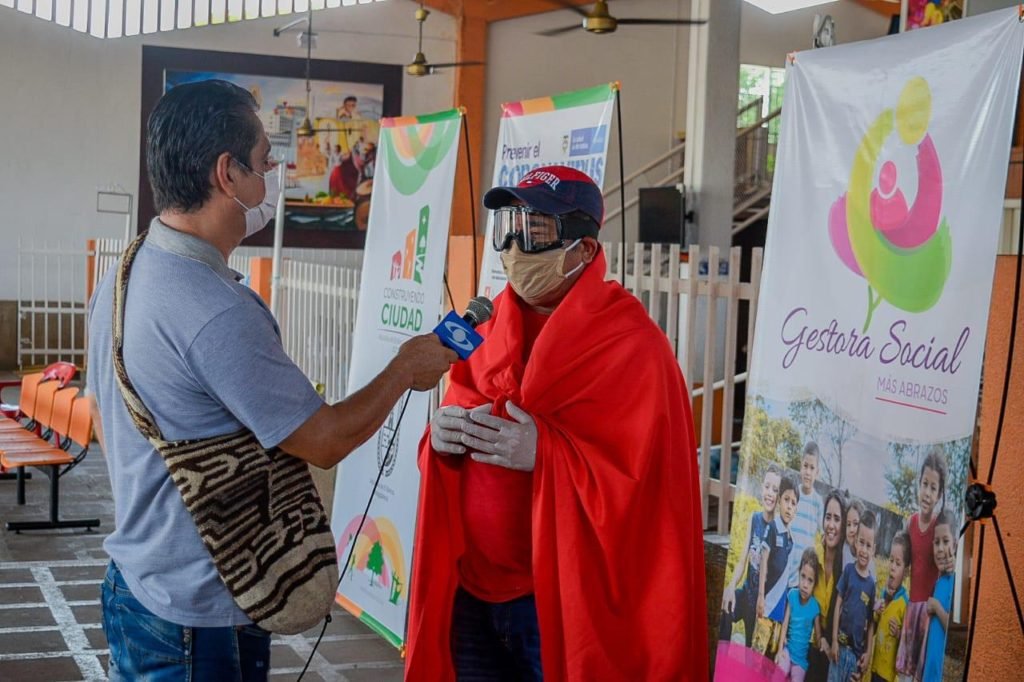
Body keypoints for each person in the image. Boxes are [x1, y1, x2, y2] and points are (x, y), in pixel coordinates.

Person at [86, 80, 456, 680]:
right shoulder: (216, 310)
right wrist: (404, 371)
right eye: (263, 163)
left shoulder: (127, 271)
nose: (272, 178)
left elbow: (105, 416)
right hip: (199, 614)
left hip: (137, 582)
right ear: (228, 174)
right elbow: (325, 440)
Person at [405, 165, 708, 680]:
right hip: (471, 591)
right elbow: (452, 421)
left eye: (536, 230)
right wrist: (441, 440)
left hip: (557, 601)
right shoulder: (483, 323)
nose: (515, 247)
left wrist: (546, 453)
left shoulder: (632, 344)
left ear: (584, 251)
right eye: (508, 225)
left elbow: (648, 491)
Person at [896, 447, 947, 682]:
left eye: (933, 488)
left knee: (919, 675)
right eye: (924, 484)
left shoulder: (939, 528)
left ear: (939, 494)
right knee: (903, 675)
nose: (927, 492)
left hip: (928, 614)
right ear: (919, 485)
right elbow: (902, 565)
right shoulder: (911, 523)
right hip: (911, 611)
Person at [721, 465, 782, 647]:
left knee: (751, 654)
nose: (770, 493)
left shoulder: (778, 531)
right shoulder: (754, 519)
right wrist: (731, 586)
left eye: (775, 489)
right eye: (767, 487)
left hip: (759, 607)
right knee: (724, 609)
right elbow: (742, 561)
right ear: (762, 487)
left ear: (779, 496)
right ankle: (721, 660)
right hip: (746, 595)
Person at [829, 510, 878, 682]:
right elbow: (838, 605)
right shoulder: (848, 571)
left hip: (856, 656)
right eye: (861, 543)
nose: (864, 550)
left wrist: (868, 653)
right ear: (855, 543)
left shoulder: (872, 585)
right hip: (839, 649)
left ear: (874, 549)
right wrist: (834, 640)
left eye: (868, 545)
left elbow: (871, 622)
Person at [754, 473, 799, 657]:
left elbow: (789, 580)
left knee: (769, 660)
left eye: (793, 503)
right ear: (779, 501)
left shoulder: (791, 540)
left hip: (779, 613)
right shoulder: (772, 528)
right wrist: (761, 597)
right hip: (766, 606)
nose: (789, 506)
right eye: (786, 500)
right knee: (757, 655)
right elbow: (763, 561)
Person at [807, 491, 847, 681]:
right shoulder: (813, 557)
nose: (831, 525)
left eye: (837, 519)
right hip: (810, 643)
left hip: (832, 652)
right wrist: (819, 636)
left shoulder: (846, 567)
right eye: (828, 517)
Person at [776, 547, 823, 682]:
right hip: (788, 651)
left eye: (810, 580)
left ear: (815, 584)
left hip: (801, 661)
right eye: (803, 577)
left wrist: (821, 642)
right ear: (798, 573)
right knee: (778, 674)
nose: (805, 585)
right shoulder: (792, 596)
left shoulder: (815, 607)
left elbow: (818, 637)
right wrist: (780, 651)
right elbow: (784, 626)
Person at [921, 510, 956, 682]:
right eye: (936, 542)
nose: (940, 548)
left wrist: (937, 607)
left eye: (946, 541)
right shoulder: (938, 580)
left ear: (955, 545)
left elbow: (956, 632)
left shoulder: (955, 583)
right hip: (928, 673)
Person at [871, 531, 911, 682]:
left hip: (888, 676)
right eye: (891, 560)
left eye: (898, 563)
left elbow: (907, 641)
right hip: (875, 667)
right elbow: (874, 625)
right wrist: (876, 611)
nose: (892, 567)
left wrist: (899, 633)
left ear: (906, 572)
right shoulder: (883, 592)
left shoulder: (904, 604)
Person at [788, 442, 824, 588]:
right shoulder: (793, 494)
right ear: (800, 466)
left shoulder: (818, 503)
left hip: (803, 575)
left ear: (817, 472)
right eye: (805, 466)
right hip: (786, 566)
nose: (808, 472)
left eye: (812, 468)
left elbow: (823, 537)